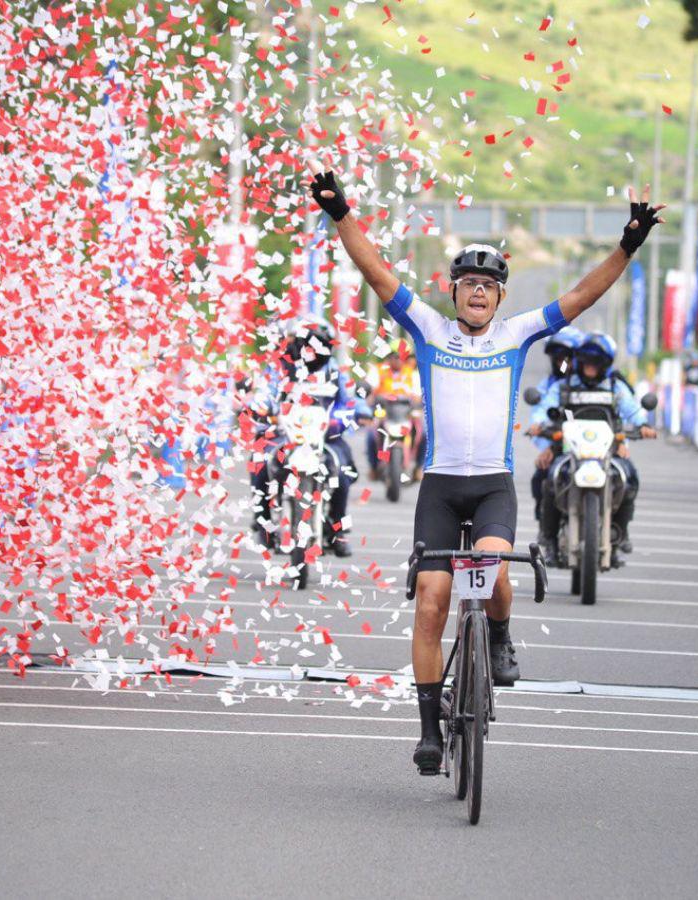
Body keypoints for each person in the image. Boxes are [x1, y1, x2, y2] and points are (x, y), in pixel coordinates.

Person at [308, 161, 665, 774]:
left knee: (496, 577)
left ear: (500, 297)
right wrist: (341, 215)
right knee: (430, 601)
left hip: (492, 487)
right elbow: (375, 272)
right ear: (453, 292)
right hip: (442, 489)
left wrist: (627, 248)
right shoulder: (427, 329)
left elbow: (580, 296)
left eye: (488, 285)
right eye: (468, 282)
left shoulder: (517, 334)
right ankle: (427, 730)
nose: (477, 291)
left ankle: (498, 637)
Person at [247, 316, 371, 558]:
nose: (311, 348)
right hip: (284, 435)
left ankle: (338, 530)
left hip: (326, 438)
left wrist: (356, 413)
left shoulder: (335, 370)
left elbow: (350, 400)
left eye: (319, 343)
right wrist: (260, 409)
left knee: (342, 474)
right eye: (305, 342)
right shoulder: (279, 368)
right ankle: (263, 523)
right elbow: (264, 395)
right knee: (260, 464)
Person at [532, 332, 657, 563]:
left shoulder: (616, 387)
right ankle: (548, 539)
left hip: (608, 451)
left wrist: (644, 426)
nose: (590, 366)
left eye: (596, 361)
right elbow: (542, 410)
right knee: (550, 478)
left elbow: (635, 412)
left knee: (629, 476)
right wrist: (538, 425)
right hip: (570, 451)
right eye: (586, 360)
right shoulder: (563, 385)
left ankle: (619, 534)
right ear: (579, 360)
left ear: (606, 363)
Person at [528, 326, 585, 523]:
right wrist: (546, 446)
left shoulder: (607, 382)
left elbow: (623, 412)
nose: (563, 363)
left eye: (568, 357)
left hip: (597, 446)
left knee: (627, 475)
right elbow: (540, 413)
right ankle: (548, 530)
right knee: (542, 477)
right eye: (558, 357)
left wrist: (622, 443)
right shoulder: (554, 386)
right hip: (562, 445)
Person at [365, 340, 423, 480]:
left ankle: (418, 468)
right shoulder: (378, 370)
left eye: (404, 357)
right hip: (384, 413)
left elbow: (418, 396)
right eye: (396, 356)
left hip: (406, 414)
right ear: (389, 356)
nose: (400, 360)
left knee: (425, 434)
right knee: (371, 436)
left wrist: (417, 403)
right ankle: (374, 468)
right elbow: (369, 393)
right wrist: (371, 400)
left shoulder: (413, 374)